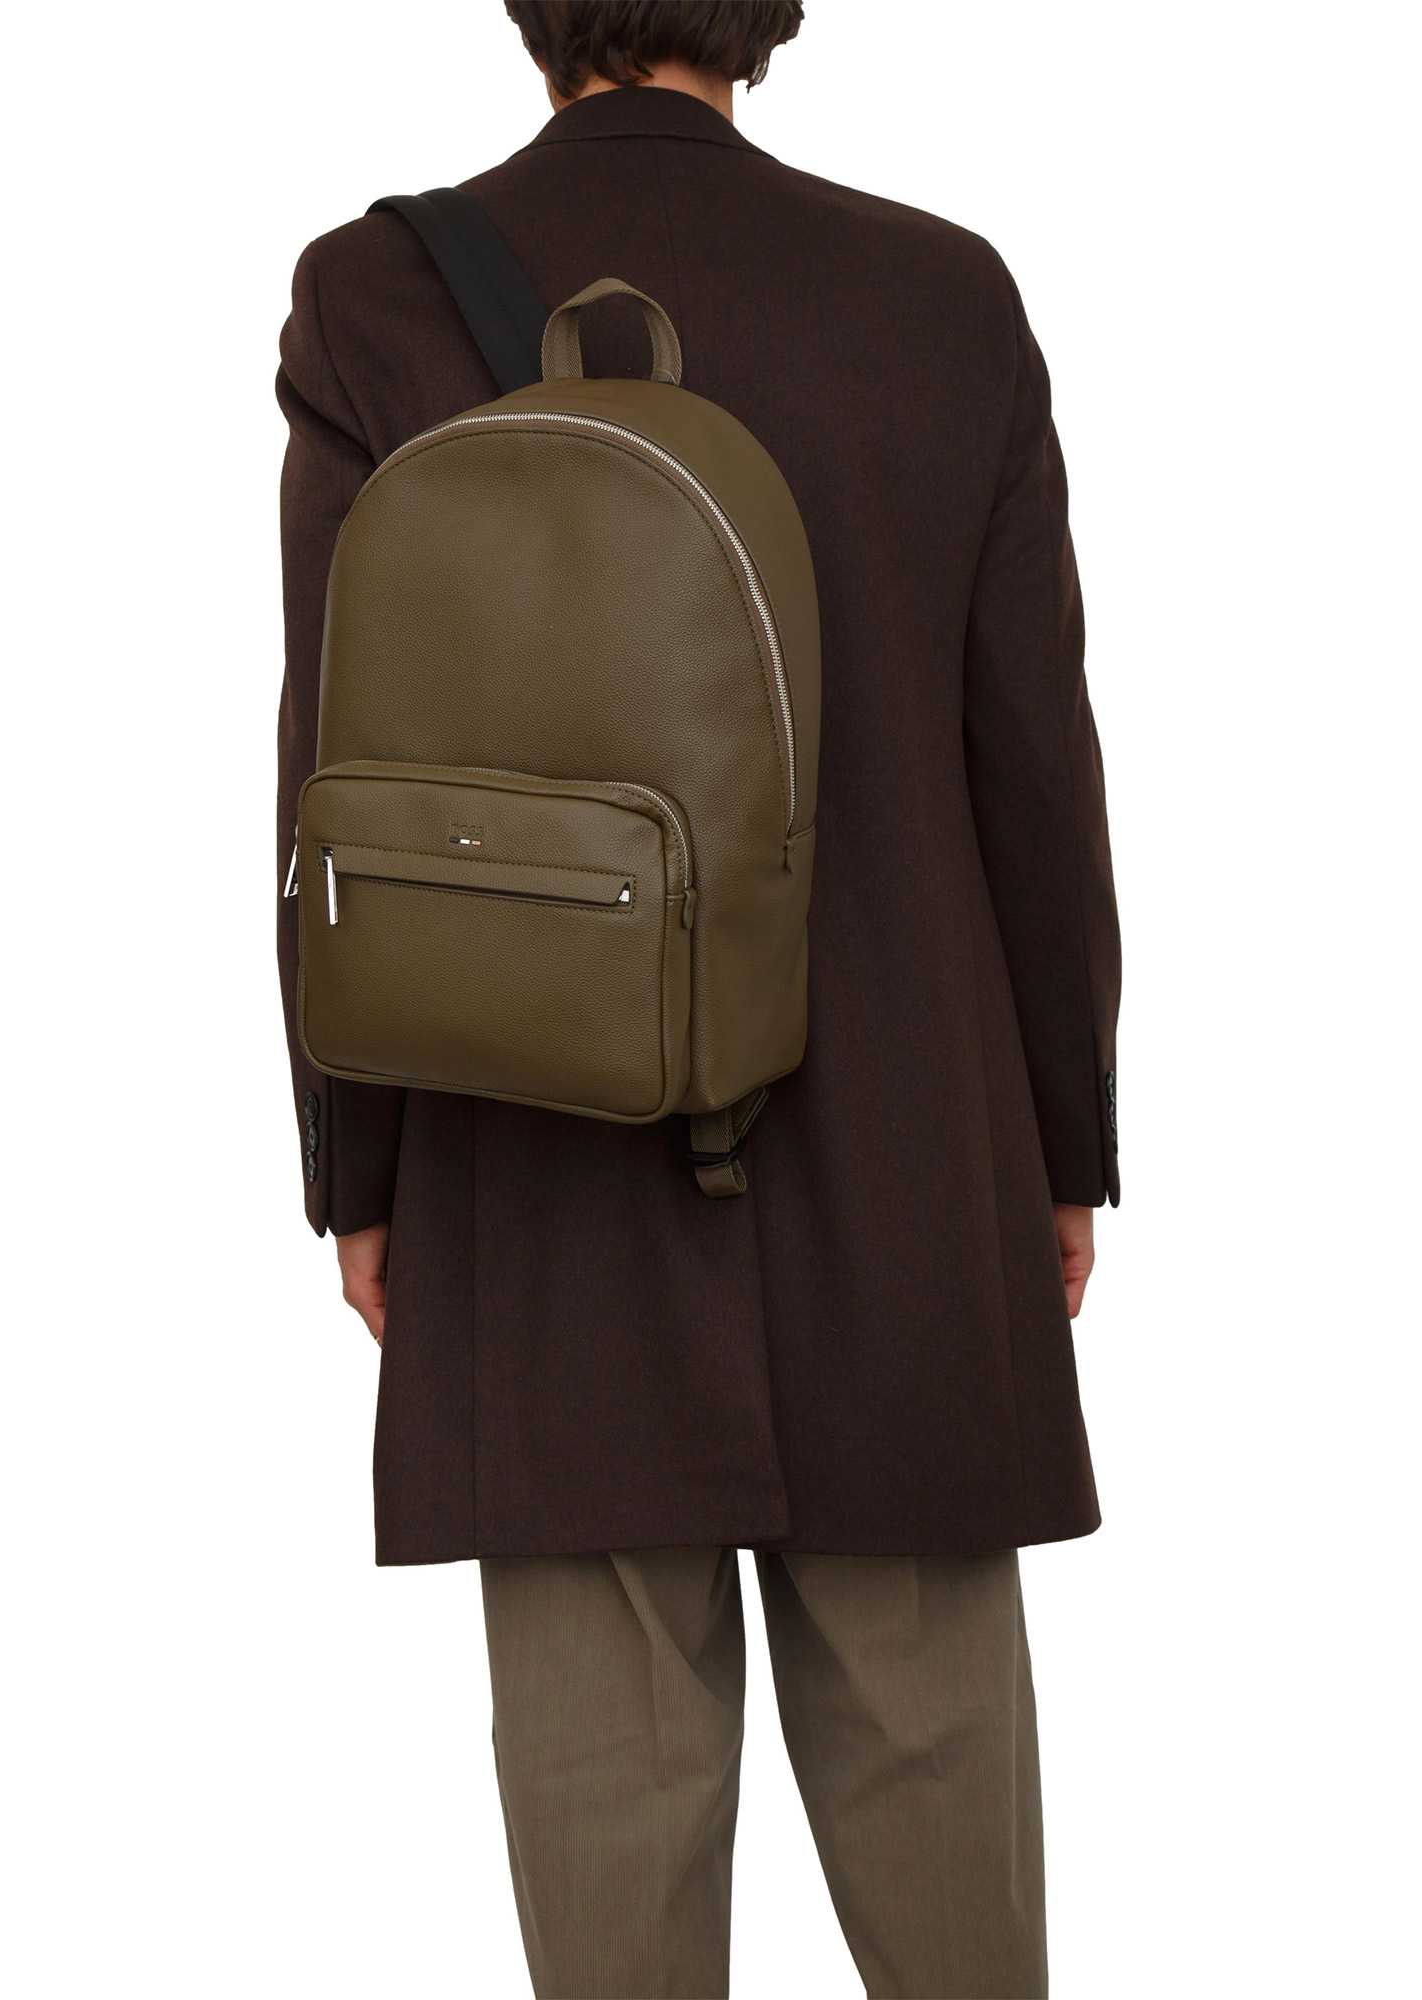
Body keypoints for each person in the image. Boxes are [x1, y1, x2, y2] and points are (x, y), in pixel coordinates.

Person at [275, 3, 1120, 1993]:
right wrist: (1060, 1143)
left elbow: (336, 770)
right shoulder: (940, 296)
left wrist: (359, 1167)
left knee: (608, 1825)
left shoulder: (382, 296)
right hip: (905, 1141)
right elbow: (1034, 762)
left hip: (533, 1142)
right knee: (942, 1806)